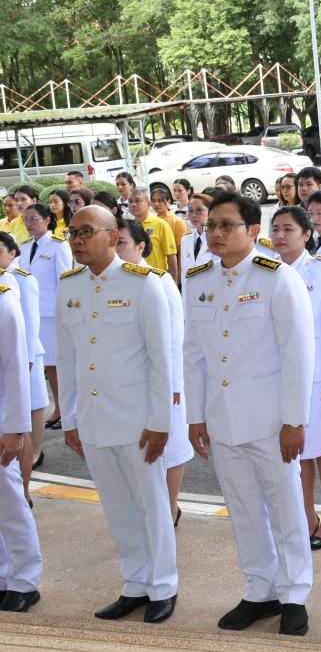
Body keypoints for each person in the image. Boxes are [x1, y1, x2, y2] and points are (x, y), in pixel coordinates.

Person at [184, 192, 314, 636]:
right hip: (223, 419)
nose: (216, 233)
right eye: (211, 226)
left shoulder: (277, 277)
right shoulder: (198, 279)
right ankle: (261, 588)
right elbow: (193, 354)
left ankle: (294, 593)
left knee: (285, 506)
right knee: (241, 508)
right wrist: (196, 416)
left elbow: (298, 354)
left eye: (227, 225)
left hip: (271, 420)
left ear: (253, 231)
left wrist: (294, 420)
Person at [57, 205, 177, 624]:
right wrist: (69, 419)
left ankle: (163, 586)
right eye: (73, 233)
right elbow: (67, 358)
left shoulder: (144, 284)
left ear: (112, 237)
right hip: (93, 418)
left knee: (151, 505)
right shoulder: (69, 285)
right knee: (117, 507)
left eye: (86, 232)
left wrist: (160, 422)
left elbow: (162, 359)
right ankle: (135, 583)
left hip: (137, 419)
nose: (77, 240)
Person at [270, 206, 321, 550]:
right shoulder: (267, 273)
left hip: (320, 380)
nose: (280, 236)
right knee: (296, 454)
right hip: (282, 379)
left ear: (306, 235)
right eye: (275, 229)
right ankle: (306, 515)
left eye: (288, 229)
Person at [115, 219, 193, 527]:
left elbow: (175, 339)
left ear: (140, 247)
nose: (115, 249)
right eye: (112, 242)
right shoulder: (109, 282)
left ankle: (170, 509)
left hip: (163, 381)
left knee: (170, 449)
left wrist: (174, 385)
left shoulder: (159, 281)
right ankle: (148, 511)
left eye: (121, 243)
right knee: (137, 450)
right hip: (128, 384)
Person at [0, 274, 43, 613]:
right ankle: (4, 576)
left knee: (9, 500)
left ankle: (25, 581)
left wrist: (16, 429)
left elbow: (16, 367)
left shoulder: (3, 301)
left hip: (1, 417)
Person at [19, 203, 73, 431]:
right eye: (26, 219)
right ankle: (57, 409)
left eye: (33, 219)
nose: (29, 223)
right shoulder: (24, 247)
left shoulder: (58, 246)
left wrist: (65, 313)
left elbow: (64, 280)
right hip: (30, 314)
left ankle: (64, 410)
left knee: (56, 365)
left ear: (47, 220)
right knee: (44, 364)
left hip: (51, 314)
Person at [0, 233, 47, 485]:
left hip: (26, 355)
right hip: (9, 358)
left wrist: (26, 362)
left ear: (12, 253)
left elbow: (29, 323)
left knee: (24, 421)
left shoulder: (21, 279)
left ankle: (27, 478)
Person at [127, 188, 178, 281]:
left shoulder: (160, 224)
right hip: (134, 279)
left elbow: (171, 256)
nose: (133, 204)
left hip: (157, 279)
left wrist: (173, 283)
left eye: (137, 201)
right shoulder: (127, 227)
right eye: (130, 201)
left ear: (148, 203)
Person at [151, 188, 188, 268]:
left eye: (160, 200)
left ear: (168, 201)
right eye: (153, 201)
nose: (156, 204)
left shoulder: (177, 222)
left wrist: (179, 273)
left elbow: (182, 251)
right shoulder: (151, 221)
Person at [180, 194, 214, 279]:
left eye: (199, 210)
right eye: (190, 211)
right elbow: (184, 272)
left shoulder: (218, 238)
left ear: (211, 212)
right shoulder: (185, 239)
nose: (194, 215)